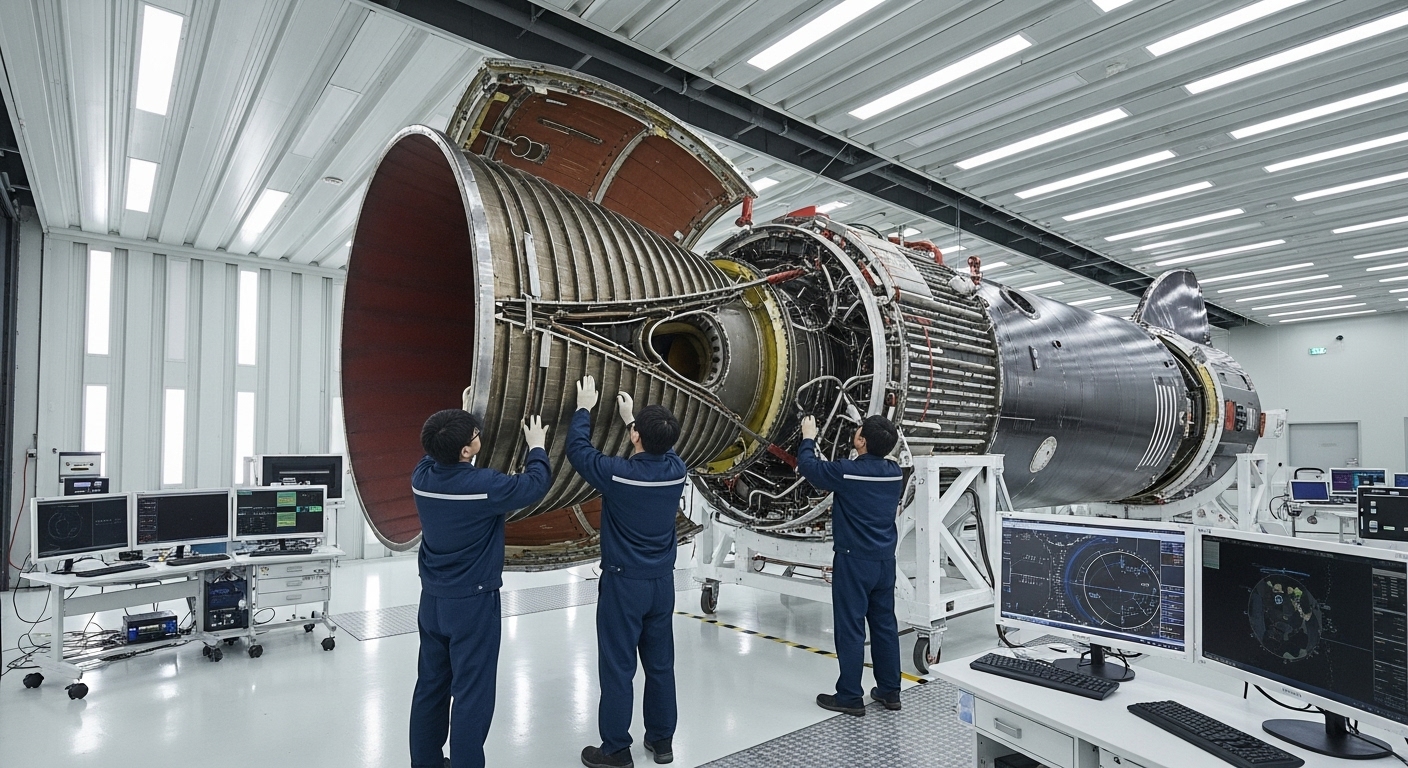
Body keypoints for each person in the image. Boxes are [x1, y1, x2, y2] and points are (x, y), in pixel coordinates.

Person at [409, 409, 552, 768]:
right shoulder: (484, 487)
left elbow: (437, 451)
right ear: (465, 452)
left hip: (433, 601)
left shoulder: (421, 477)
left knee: (430, 686)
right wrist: (537, 447)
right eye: (475, 434)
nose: (479, 435)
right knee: (472, 693)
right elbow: (534, 485)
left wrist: (462, 410)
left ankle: (425, 762)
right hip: (473, 605)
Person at [567, 375, 686, 768]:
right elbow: (656, 450)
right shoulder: (677, 469)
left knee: (618, 667)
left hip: (624, 585)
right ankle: (662, 741)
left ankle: (616, 748)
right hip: (662, 584)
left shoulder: (619, 474)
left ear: (637, 438)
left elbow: (578, 450)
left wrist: (583, 406)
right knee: (660, 664)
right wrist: (631, 420)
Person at [796, 413, 904, 716]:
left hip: (854, 562)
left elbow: (809, 468)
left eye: (858, 432)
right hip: (885, 561)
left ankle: (849, 696)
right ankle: (890, 691)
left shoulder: (848, 472)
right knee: (884, 626)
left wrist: (808, 437)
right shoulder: (895, 472)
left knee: (851, 629)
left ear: (861, 441)